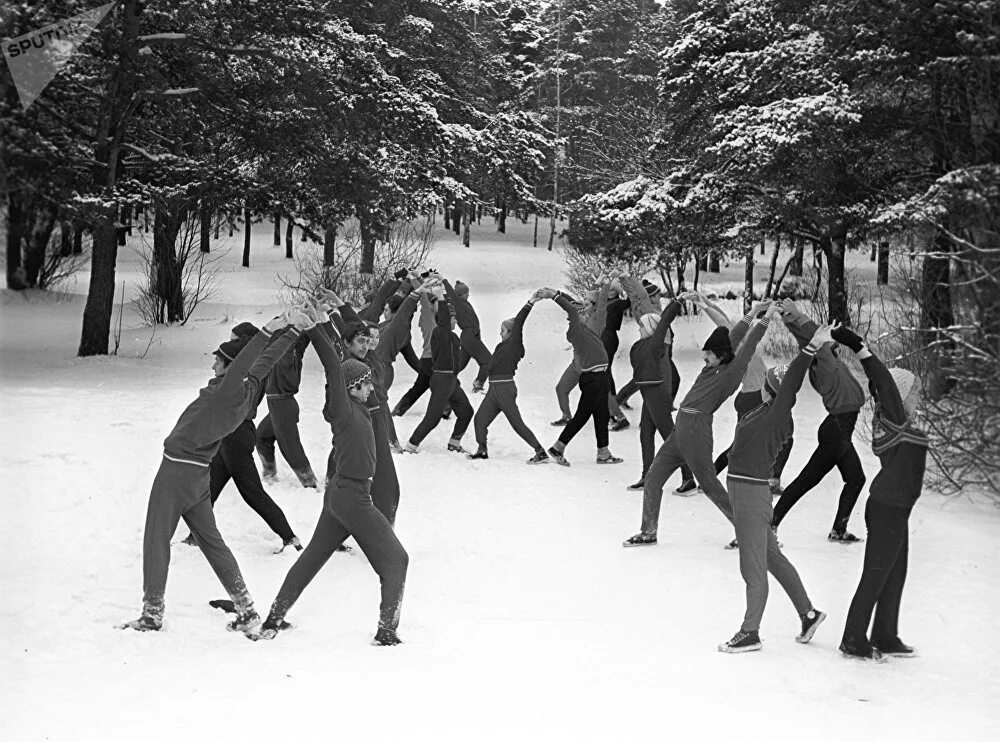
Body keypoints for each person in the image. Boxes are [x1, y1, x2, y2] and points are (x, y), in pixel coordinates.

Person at [120, 311, 308, 632]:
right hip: (198, 476)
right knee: (212, 543)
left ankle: (152, 614)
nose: (213, 365)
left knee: (156, 539)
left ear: (229, 365)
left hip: (177, 471)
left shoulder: (228, 390)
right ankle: (246, 609)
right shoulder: (248, 387)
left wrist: (268, 330)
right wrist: (292, 333)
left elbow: (249, 357)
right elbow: (263, 361)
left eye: (218, 360)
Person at [250, 299, 409, 645]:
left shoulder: (361, 407)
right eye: (366, 385)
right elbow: (334, 365)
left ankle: (273, 619)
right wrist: (313, 326)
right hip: (351, 497)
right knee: (397, 560)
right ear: (352, 387)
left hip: (342, 495)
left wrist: (328, 319)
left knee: (312, 559)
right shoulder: (343, 407)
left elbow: (353, 361)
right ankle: (386, 633)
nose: (371, 390)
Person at [717, 320, 834, 653]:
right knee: (773, 559)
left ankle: (750, 632)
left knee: (752, 567)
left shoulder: (777, 415)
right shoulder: (765, 410)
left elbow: (792, 382)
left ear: (772, 390)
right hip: (745, 492)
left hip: (751, 495)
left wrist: (810, 349)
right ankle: (809, 614)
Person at [623, 301, 776, 547]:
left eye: (709, 354)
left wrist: (766, 317)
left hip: (697, 430)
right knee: (653, 478)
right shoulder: (712, 365)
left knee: (710, 485)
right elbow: (734, 336)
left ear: (722, 356)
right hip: (681, 428)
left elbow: (747, 344)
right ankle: (648, 531)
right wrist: (752, 312)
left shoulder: (732, 372)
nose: (704, 356)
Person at [833, 325, 928, 661]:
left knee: (894, 573)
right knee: (876, 575)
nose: (919, 396)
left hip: (896, 509)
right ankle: (852, 639)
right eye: (915, 392)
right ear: (900, 396)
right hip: (887, 507)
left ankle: (885, 635)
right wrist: (858, 346)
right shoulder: (894, 414)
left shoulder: (896, 419)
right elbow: (884, 382)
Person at [771, 302, 867, 542]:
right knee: (806, 481)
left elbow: (809, 340)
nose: (834, 345)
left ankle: (838, 529)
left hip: (839, 430)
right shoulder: (824, 364)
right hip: (836, 431)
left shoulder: (829, 363)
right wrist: (794, 315)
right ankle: (769, 524)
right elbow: (812, 337)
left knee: (856, 479)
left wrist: (789, 318)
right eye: (830, 343)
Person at [543, 286, 624, 466]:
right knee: (581, 416)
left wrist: (604, 283)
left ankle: (603, 452)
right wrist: (554, 296)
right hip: (592, 379)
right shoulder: (575, 332)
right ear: (574, 319)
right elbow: (572, 309)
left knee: (602, 415)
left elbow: (595, 305)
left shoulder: (587, 327)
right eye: (580, 313)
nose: (583, 312)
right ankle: (558, 447)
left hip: (600, 377)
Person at [466, 290, 549, 464]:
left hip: (505, 389)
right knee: (480, 420)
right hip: (494, 390)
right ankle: (482, 450)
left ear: (511, 331)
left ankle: (540, 451)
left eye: (503, 330)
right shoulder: (501, 346)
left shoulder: (514, 344)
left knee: (517, 424)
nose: (500, 333)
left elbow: (519, 322)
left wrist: (530, 302)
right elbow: (491, 366)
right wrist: (481, 380)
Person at [403, 293, 475, 453]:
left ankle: (454, 443)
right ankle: (410, 446)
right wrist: (441, 298)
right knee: (433, 418)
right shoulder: (439, 333)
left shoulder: (453, 337)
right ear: (446, 318)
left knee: (466, 412)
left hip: (451, 381)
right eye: (453, 318)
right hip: (442, 380)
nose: (456, 321)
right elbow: (443, 316)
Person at [255, 328, 317, 488]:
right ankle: (269, 474)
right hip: (277, 406)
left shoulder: (290, 354)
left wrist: (307, 321)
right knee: (262, 436)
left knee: (290, 448)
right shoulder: (278, 352)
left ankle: (309, 482)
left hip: (283, 405)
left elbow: (299, 339)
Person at [443, 279, 492, 393]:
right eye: (466, 293)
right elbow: (451, 294)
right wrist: (444, 281)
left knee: (459, 365)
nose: (468, 295)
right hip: (469, 337)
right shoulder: (458, 303)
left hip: (470, 337)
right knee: (488, 361)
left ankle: (445, 378)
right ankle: (478, 384)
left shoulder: (465, 303)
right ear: (461, 294)